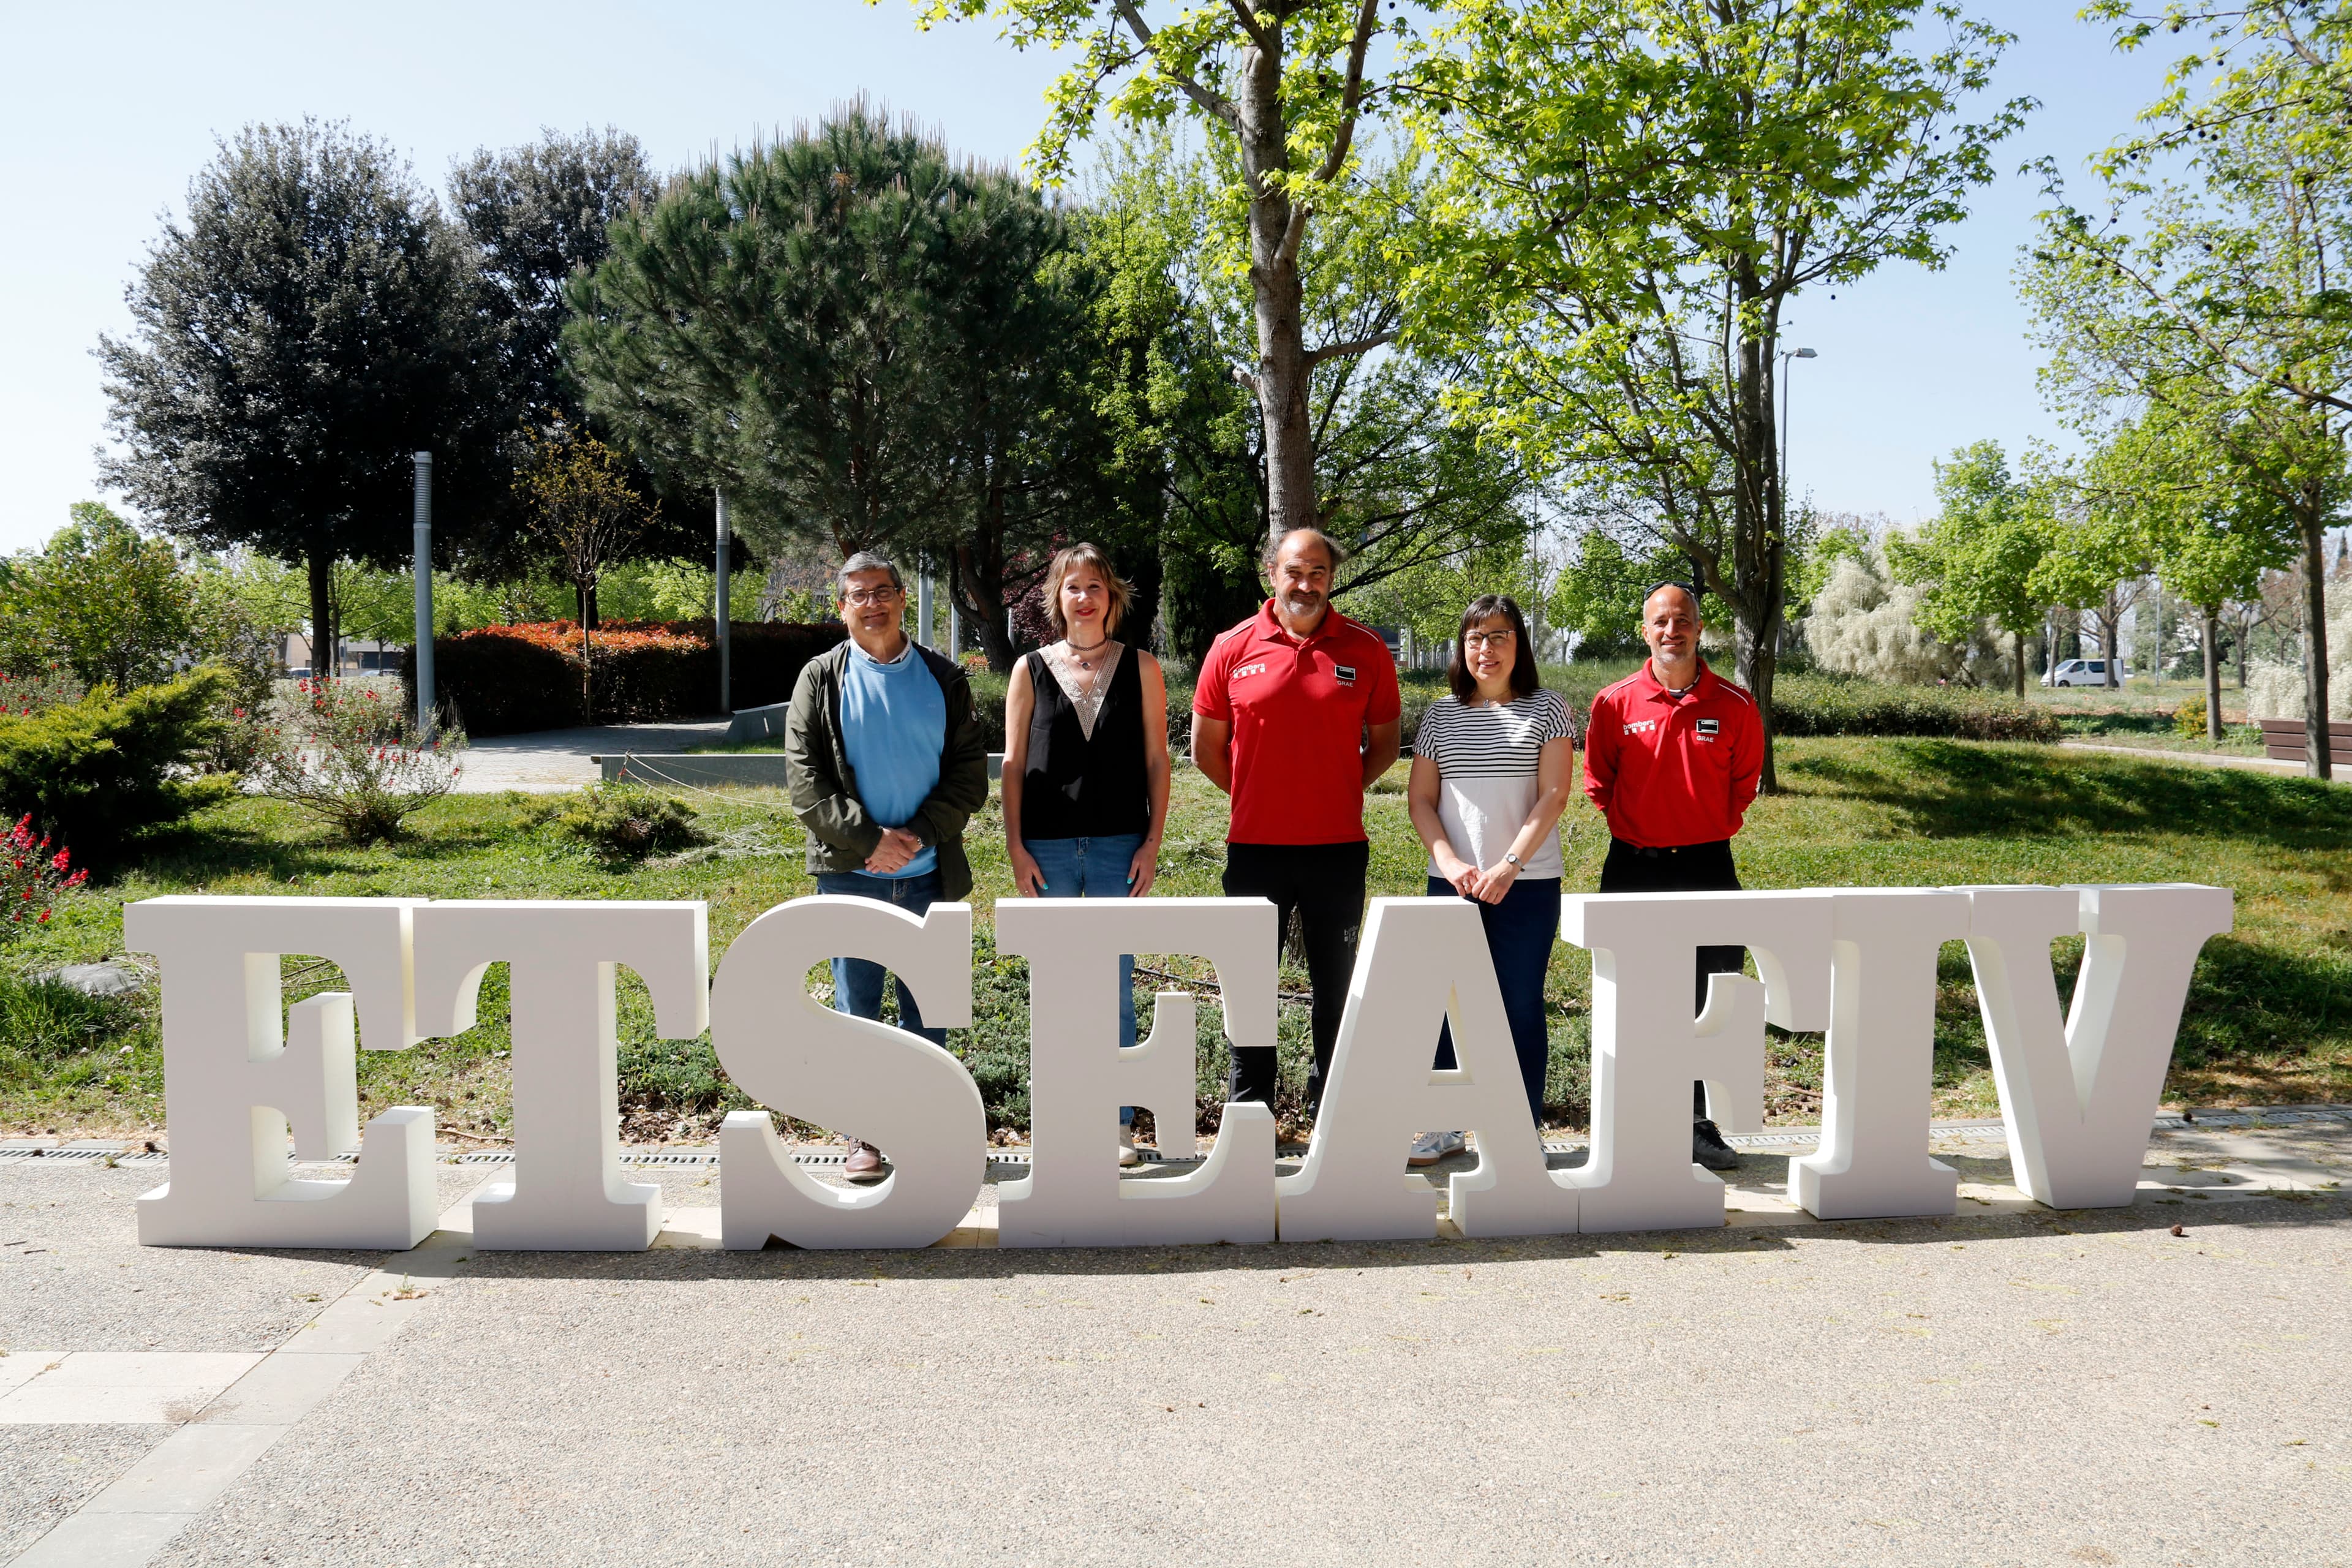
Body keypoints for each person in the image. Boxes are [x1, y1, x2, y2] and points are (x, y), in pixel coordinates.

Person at [784, 551, 989, 1182]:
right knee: (858, 1011)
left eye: (882, 591)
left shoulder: (944, 677)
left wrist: (920, 833)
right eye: (857, 595)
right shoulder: (819, 679)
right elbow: (805, 781)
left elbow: (968, 775)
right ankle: (863, 1138)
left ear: (902, 598)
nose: (871, 603)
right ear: (840, 608)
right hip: (851, 875)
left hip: (931, 873)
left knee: (930, 1012)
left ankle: (930, 1131)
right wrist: (871, 841)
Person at [1191, 527, 1402, 1126]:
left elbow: (1385, 744)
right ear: (1270, 573)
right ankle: (1250, 1108)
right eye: (1294, 571)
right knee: (1250, 983)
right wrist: (1259, 793)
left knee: (1336, 984)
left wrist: (1335, 787)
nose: (1306, 584)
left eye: (1318, 573)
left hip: (1337, 851)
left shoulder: (1364, 650)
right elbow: (1206, 748)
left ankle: (1330, 1104)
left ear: (1331, 579)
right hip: (1255, 850)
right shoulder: (1232, 646)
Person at [1581, 581, 1765, 1172]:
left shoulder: (1735, 706)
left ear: (1699, 628)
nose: (1672, 630)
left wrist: (1698, 825)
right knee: (1632, 996)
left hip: (1710, 866)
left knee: (1709, 1001)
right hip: (1633, 866)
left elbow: (1743, 788)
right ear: (1645, 631)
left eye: (1682, 620)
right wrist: (1645, 829)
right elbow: (1599, 784)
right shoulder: (1613, 703)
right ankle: (1634, 1119)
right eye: (1660, 621)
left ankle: (1697, 1124)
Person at [1001, 543, 1172, 1167]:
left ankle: (1117, 1123)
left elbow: (1158, 760)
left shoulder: (1143, 668)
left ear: (1112, 596)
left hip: (1116, 846)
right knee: (1053, 986)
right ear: (1058, 596)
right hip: (1044, 847)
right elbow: (1015, 764)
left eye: (1095, 585)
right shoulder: (1030, 670)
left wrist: (1152, 843)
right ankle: (1058, 1117)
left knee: (1114, 987)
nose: (1084, 596)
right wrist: (1016, 846)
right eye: (1073, 586)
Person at [1403, 595, 1575, 1167]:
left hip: (1526, 883)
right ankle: (1443, 1125)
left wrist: (1509, 865)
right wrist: (1450, 863)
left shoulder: (1550, 709)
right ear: (1462, 648)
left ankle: (1522, 1126)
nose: (1487, 648)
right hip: (1451, 883)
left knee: (1520, 1002)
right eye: (1476, 637)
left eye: (1499, 636)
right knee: (1445, 1003)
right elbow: (1421, 800)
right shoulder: (1440, 714)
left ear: (1519, 643)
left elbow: (1554, 795)